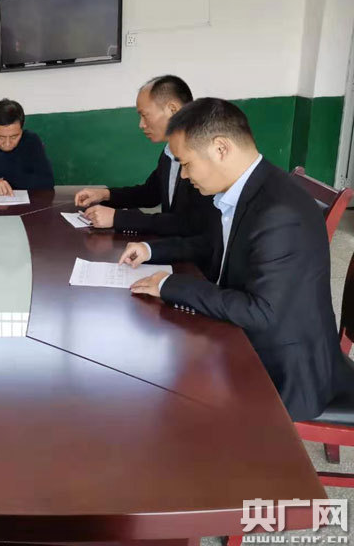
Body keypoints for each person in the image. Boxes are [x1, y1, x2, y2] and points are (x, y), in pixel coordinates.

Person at [118, 98, 353, 421]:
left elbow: (260, 312)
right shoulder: (250, 188)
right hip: (250, 338)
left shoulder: (278, 211)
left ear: (220, 149)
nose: (183, 176)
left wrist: (171, 285)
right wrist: (151, 251)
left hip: (284, 370)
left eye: (186, 164)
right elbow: (212, 245)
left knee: (166, 406)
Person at [74, 75, 217, 239]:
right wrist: (105, 194)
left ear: (173, 110)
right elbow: (150, 193)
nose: (141, 124)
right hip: (172, 245)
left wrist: (118, 218)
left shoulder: (205, 154)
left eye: (145, 115)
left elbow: (191, 224)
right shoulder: (169, 151)